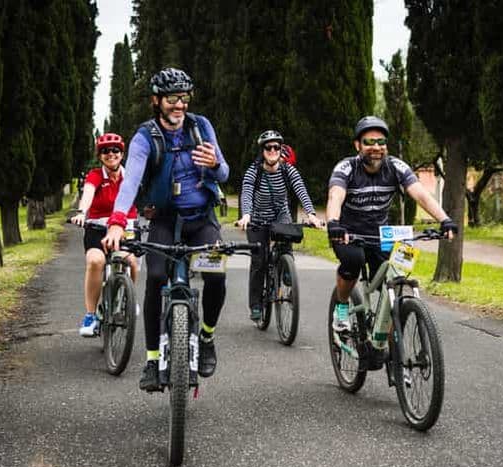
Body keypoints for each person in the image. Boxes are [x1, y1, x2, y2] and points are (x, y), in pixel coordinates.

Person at [102, 67, 229, 392]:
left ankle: (207, 336)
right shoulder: (146, 137)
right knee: (156, 277)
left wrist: (214, 164)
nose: (179, 105)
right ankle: (151, 358)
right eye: (173, 99)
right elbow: (130, 182)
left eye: (184, 98)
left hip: (201, 221)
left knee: (216, 276)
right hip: (163, 222)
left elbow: (225, 173)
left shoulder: (201, 127)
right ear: (157, 101)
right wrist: (117, 221)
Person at [326, 116, 458, 367]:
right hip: (348, 232)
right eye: (369, 142)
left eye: (381, 141)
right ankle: (342, 306)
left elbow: (420, 194)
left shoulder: (395, 166)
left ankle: (385, 343)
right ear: (357, 145)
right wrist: (333, 223)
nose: (376, 147)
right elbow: (336, 195)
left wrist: (445, 219)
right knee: (353, 261)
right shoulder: (346, 168)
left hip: (381, 235)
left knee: (396, 278)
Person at [236, 131, 323, 321]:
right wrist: (246, 215)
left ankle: (285, 269)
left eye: (277, 147)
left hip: (280, 218)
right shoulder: (254, 171)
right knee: (259, 262)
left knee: (286, 245)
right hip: (257, 219)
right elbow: (247, 193)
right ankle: (256, 304)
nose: (273, 150)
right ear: (262, 150)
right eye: (269, 147)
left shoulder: (287, 170)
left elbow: (301, 190)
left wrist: (312, 215)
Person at [70, 133, 139, 337]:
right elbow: (88, 194)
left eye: (115, 150)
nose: (111, 154)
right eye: (105, 151)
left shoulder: (131, 176)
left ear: (122, 154)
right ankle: (91, 315)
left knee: (132, 262)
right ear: (100, 156)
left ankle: (128, 299)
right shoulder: (95, 176)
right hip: (98, 229)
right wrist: (82, 212)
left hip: (126, 228)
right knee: (95, 261)